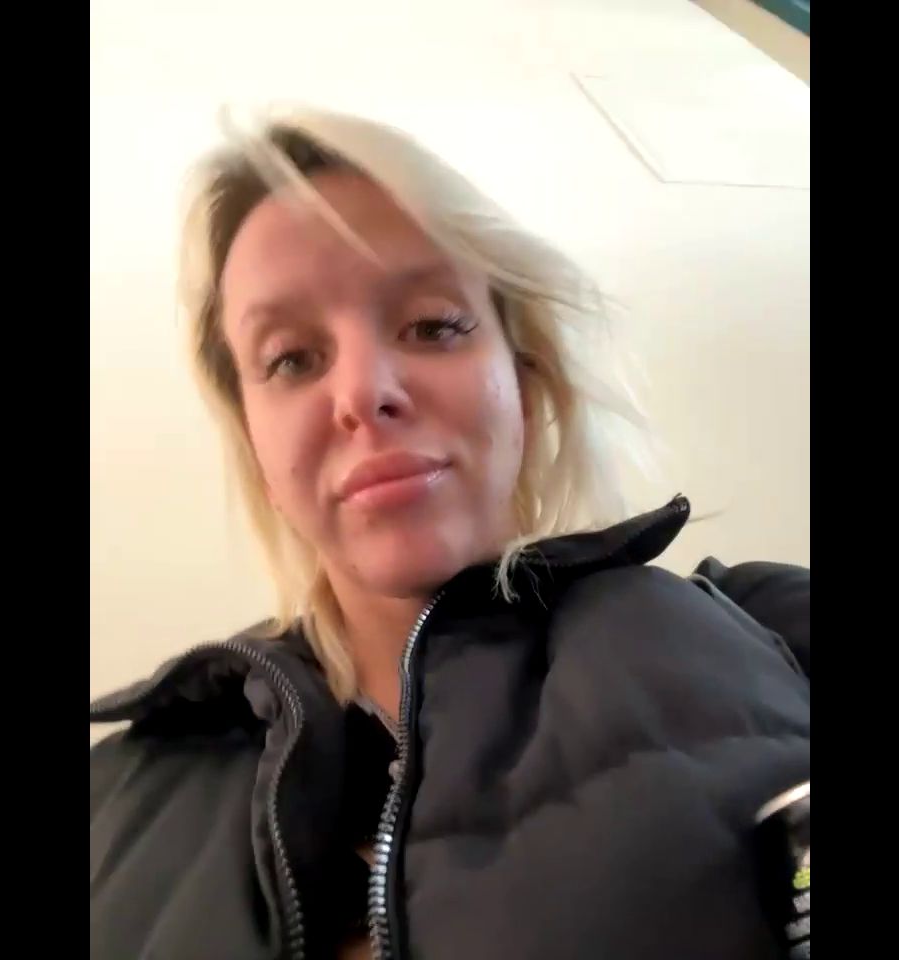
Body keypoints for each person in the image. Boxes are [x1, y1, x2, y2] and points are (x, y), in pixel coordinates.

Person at [89, 108, 810, 960]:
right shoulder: (114, 798)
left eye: (432, 325)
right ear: (257, 447)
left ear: (526, 385)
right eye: (291, 358)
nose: (363, 391)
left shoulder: (769, 628)